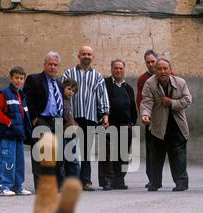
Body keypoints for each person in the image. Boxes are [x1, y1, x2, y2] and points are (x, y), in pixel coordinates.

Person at [62, 46, 110, 191]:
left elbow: (102, 96)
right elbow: (62, 93)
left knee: (86, 152)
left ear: (92, 57)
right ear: (79, 56)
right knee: (69, 150)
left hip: (90, 116)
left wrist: (105, 114)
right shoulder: (68, 73)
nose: (86, 56)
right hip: (72, 116)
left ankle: (86, 181)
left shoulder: (97, 76)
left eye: (89, 54)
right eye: (84, 54)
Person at [140, 58, 192, 192]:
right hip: (158, 125)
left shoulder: (180, 82)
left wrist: (172, 103)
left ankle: (181, 183)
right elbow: (146, 101)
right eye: (159, 69)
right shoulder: (149, 83)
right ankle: (154, 182)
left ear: (170, 69)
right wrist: (145, 114)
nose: (162, 71)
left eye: (165, 68)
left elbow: (187, 100)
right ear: (155, 71)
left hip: (177, 125)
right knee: (156, 156)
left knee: (178, 156)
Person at [23, 52, 65, 189]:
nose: (53, 67)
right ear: (45, 65)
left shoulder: (59, 83)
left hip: (57, 122)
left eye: (55, 65)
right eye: (50, 64)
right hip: (42, 120)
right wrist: (34, 118)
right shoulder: (34, 79)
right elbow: (28, 99)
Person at [0, 66, 32, 196]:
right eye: (16, 78)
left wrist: (27, 129)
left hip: (18, 134)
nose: (18, 81)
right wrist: (8, 122)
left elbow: (25, 115)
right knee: (6, 160)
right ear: (11, 78)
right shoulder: (4, 93)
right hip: (7, 134)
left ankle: (17, 186)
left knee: (19, 161)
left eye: (21, 78)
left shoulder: (22, 95)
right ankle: (4, 186)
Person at [98, 59, 137, 190]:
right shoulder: (105, 84)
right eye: (116, 68)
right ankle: (107, 180)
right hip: (108, 125)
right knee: (107, 155)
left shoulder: (128, 88)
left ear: (124, 70)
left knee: (123, 155)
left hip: (125, 125)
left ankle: (119, 180)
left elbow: (133, 108)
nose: (118, 70)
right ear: (111, 69)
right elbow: (99, 102)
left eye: (121, 68)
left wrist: (132, 123)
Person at [136, 49, 161, 189]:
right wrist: (144, 115)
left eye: (153, 61)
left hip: (166, 120)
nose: (151, 64)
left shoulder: (169, 74)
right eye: (148, 62)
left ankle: (180, 180)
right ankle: (152, 179)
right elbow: (140, 100)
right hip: (150, 121)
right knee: (151, 151)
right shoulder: (142, 79)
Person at [61, 78, 80, 179]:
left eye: (73, 91)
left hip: (71, 133)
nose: (71, 92)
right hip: (63, 132)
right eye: (69, 89)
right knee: (63, 159)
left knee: (72, 158)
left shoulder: (69, 101)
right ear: (63, 88)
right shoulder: (61, 100)